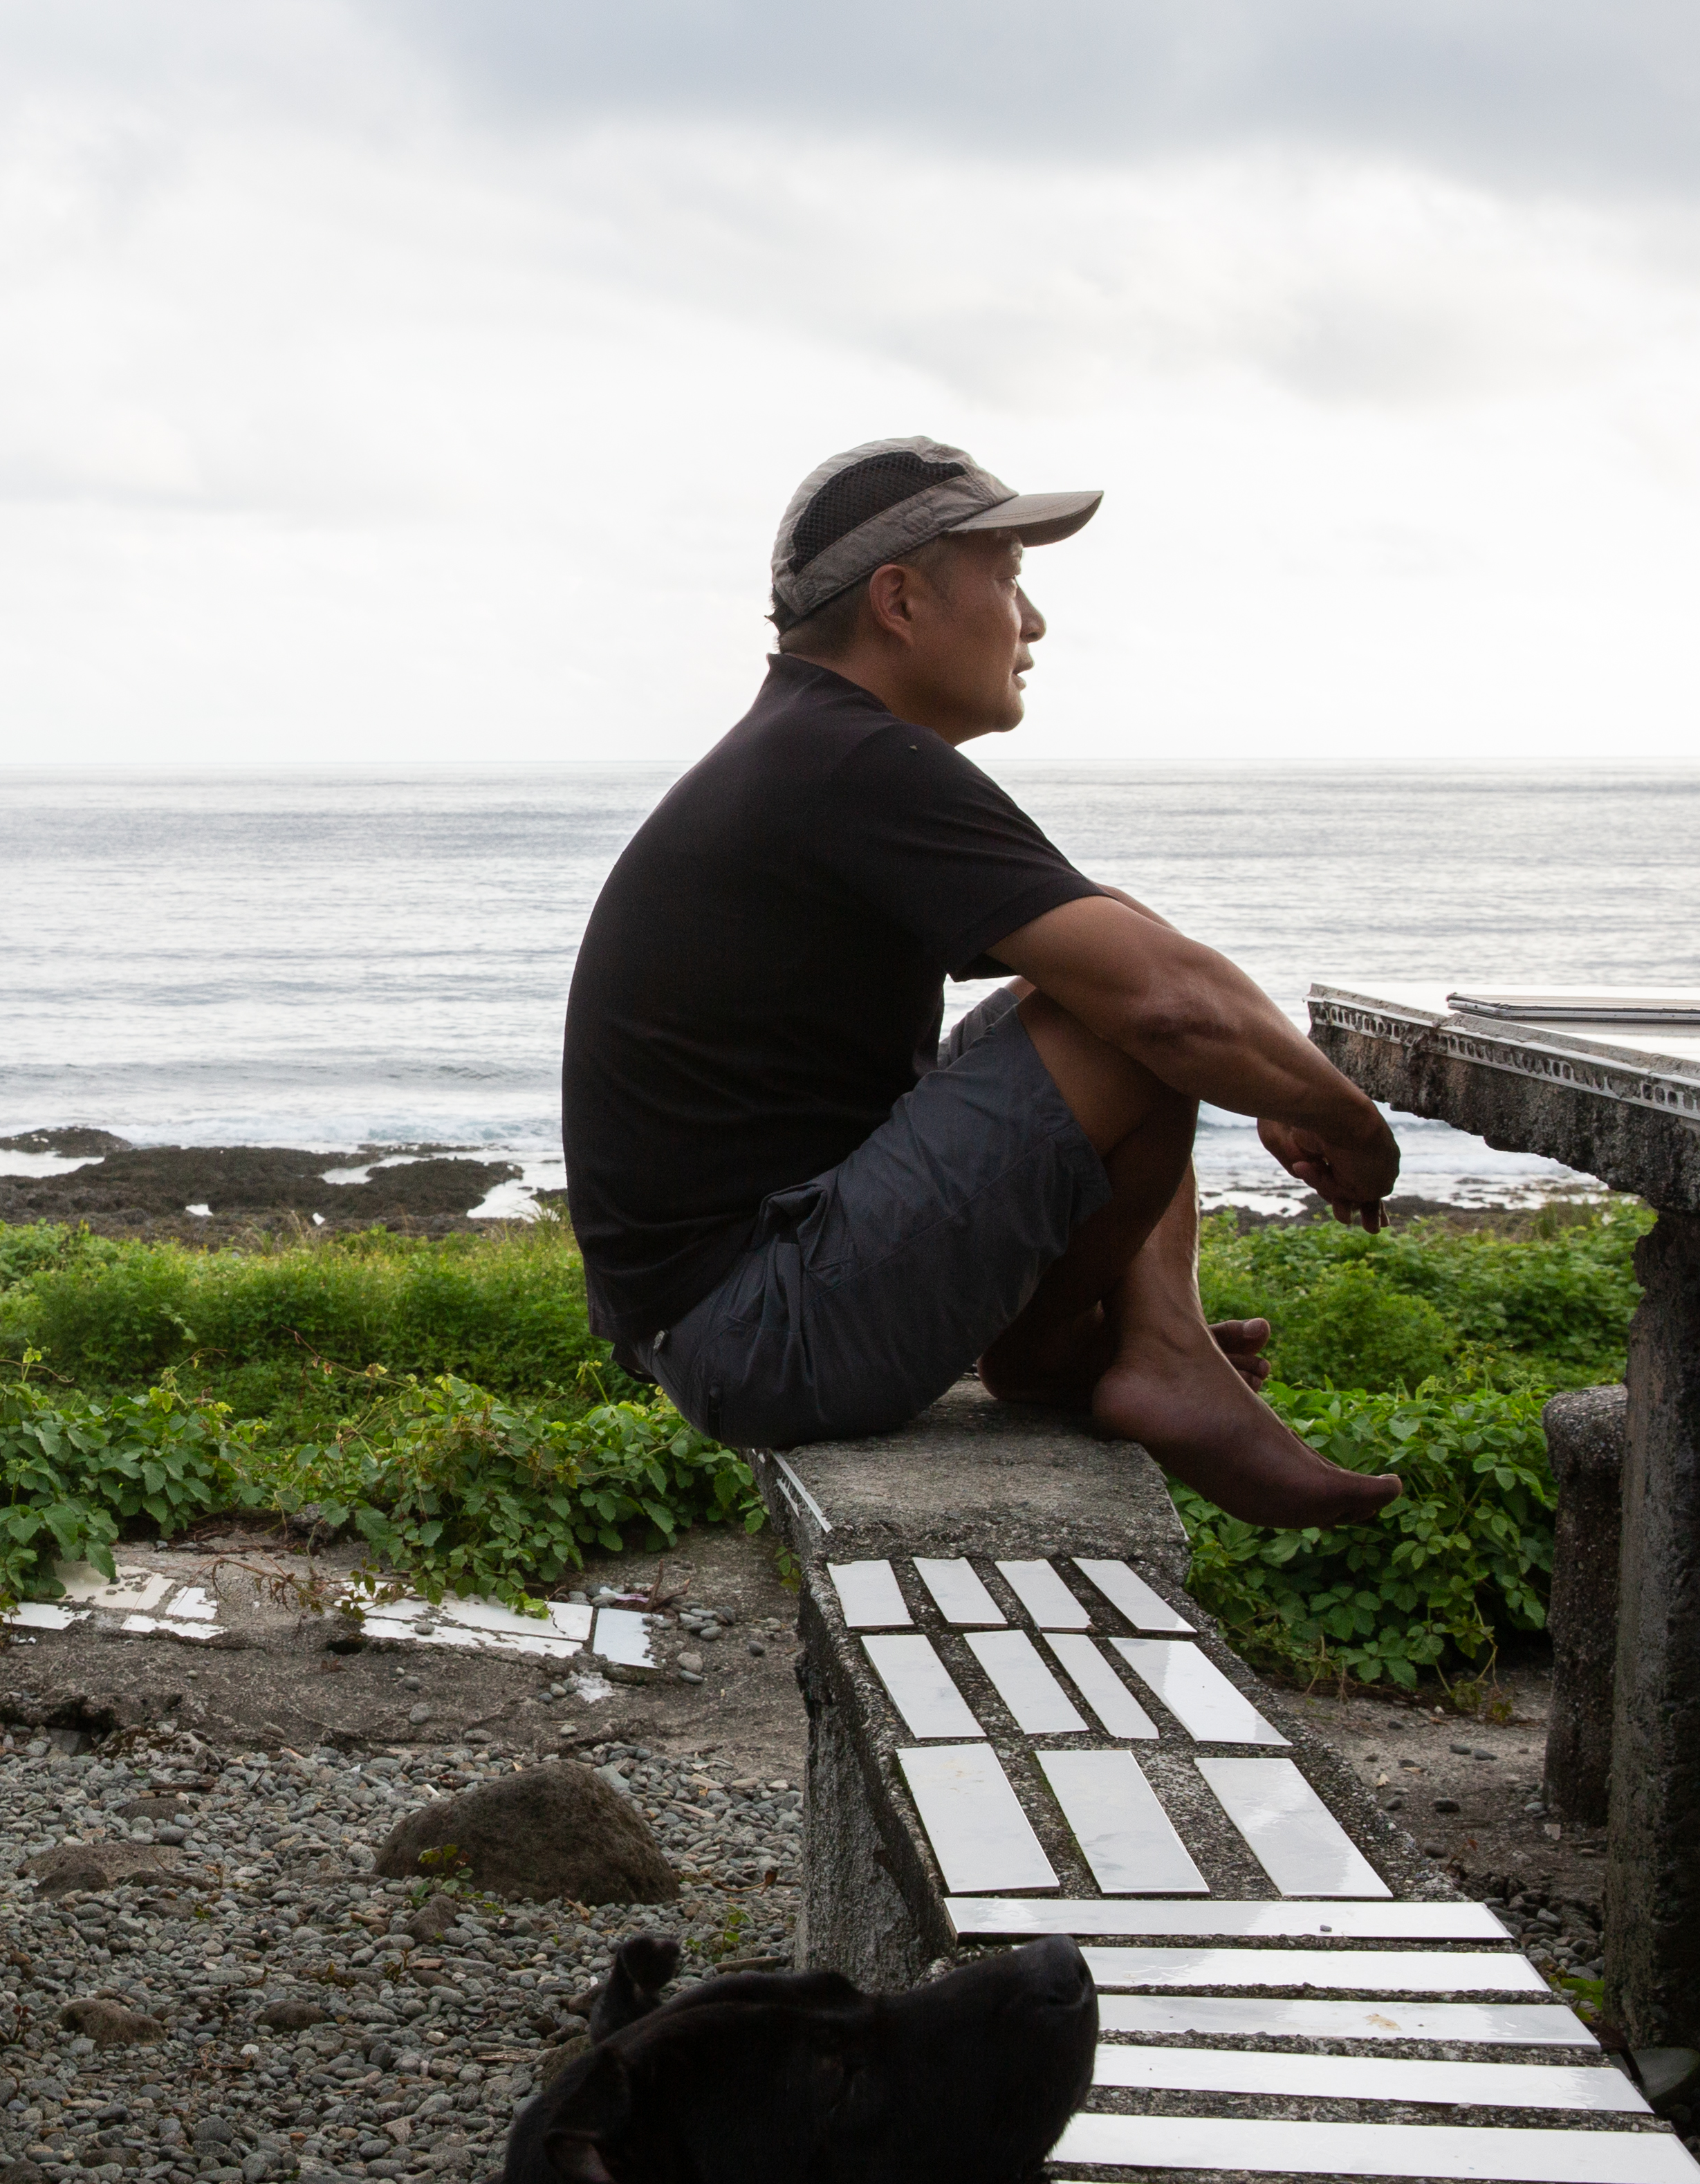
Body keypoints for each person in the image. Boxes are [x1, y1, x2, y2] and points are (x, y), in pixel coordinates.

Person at [560, 436, 1402, 1526]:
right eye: (1009, 580)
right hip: (759, 1333)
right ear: (900, 601)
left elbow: (1126, 945)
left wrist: (1274, 1080)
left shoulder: (815, 751)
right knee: (1128, 1024)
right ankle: (1131, 1361)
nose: (1034, 623)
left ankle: (1131, 1349)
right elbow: (1169, 1005)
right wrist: (1344, 1120)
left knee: (1104, 981)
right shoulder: (851, 760)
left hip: (732, 1316)